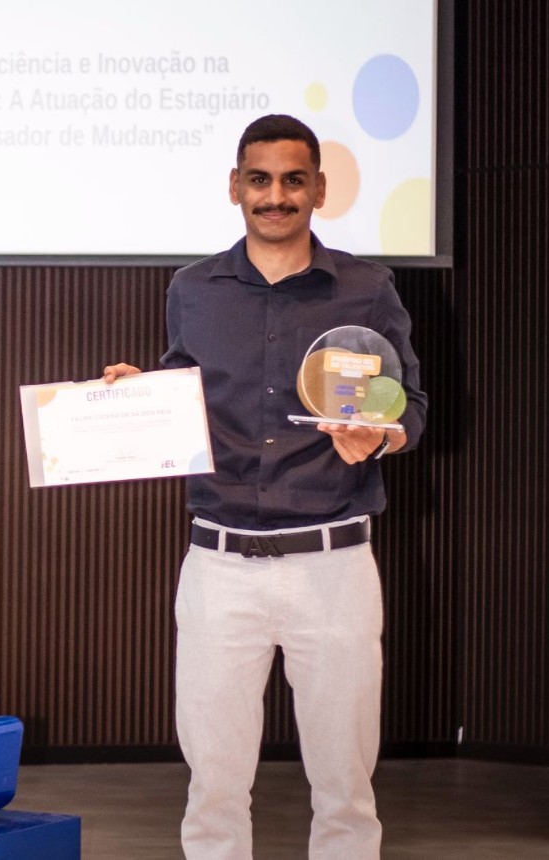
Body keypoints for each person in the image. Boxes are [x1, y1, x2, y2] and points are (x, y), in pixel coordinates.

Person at [103, 114, 427, 859]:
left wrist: (381, 433)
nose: (275, 196)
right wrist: (137, 397)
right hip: (218, 567)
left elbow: (410, 404)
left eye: (292, 180)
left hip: (334, 566)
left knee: (345, 789)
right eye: (259, 180)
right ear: (234, 187)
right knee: (213, 787)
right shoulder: (193, 288)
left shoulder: (367, 288)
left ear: (319, 189)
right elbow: (185, 393)